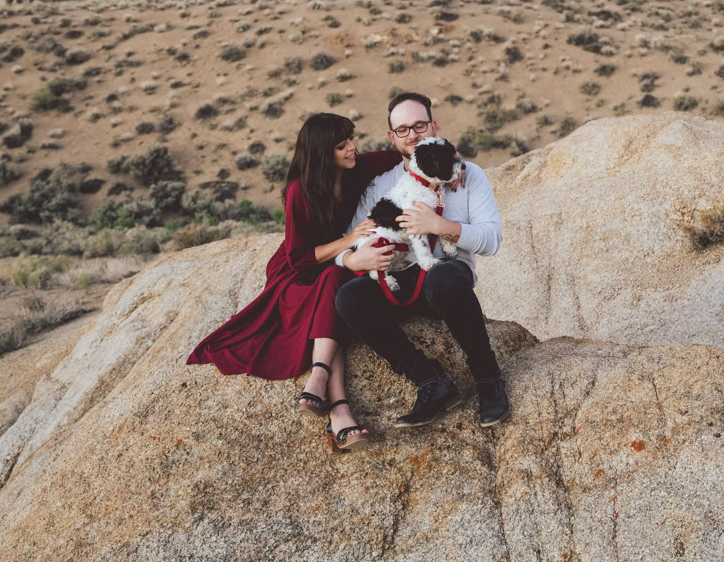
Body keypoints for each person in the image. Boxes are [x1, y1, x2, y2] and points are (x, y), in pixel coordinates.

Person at [186, 112, 402, 451]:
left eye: (352, 140)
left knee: (335, 288)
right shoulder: (299, 191)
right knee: (332, 290)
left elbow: (398, 155)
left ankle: (321, 387)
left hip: (332, 265)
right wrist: (347, 242)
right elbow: (298, 258)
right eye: (343, 145)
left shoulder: (355, 168)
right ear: (321, 152)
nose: (353, 149)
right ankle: (338, 407)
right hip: (296, 273)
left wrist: (452, 162)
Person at [335, 91, 510, 428]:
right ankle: (430, 380)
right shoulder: (381, 184)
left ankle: (488, 378)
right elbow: (351, 237)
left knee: (445, 276)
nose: (412, 135)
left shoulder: (466, 175)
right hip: (396, 277)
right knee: (349, 297)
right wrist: (351, 260)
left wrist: (441, 226)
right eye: (403, 130)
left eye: (419, 125)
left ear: (434, 126)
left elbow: (492, 240)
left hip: (443, 283)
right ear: (392, 137)